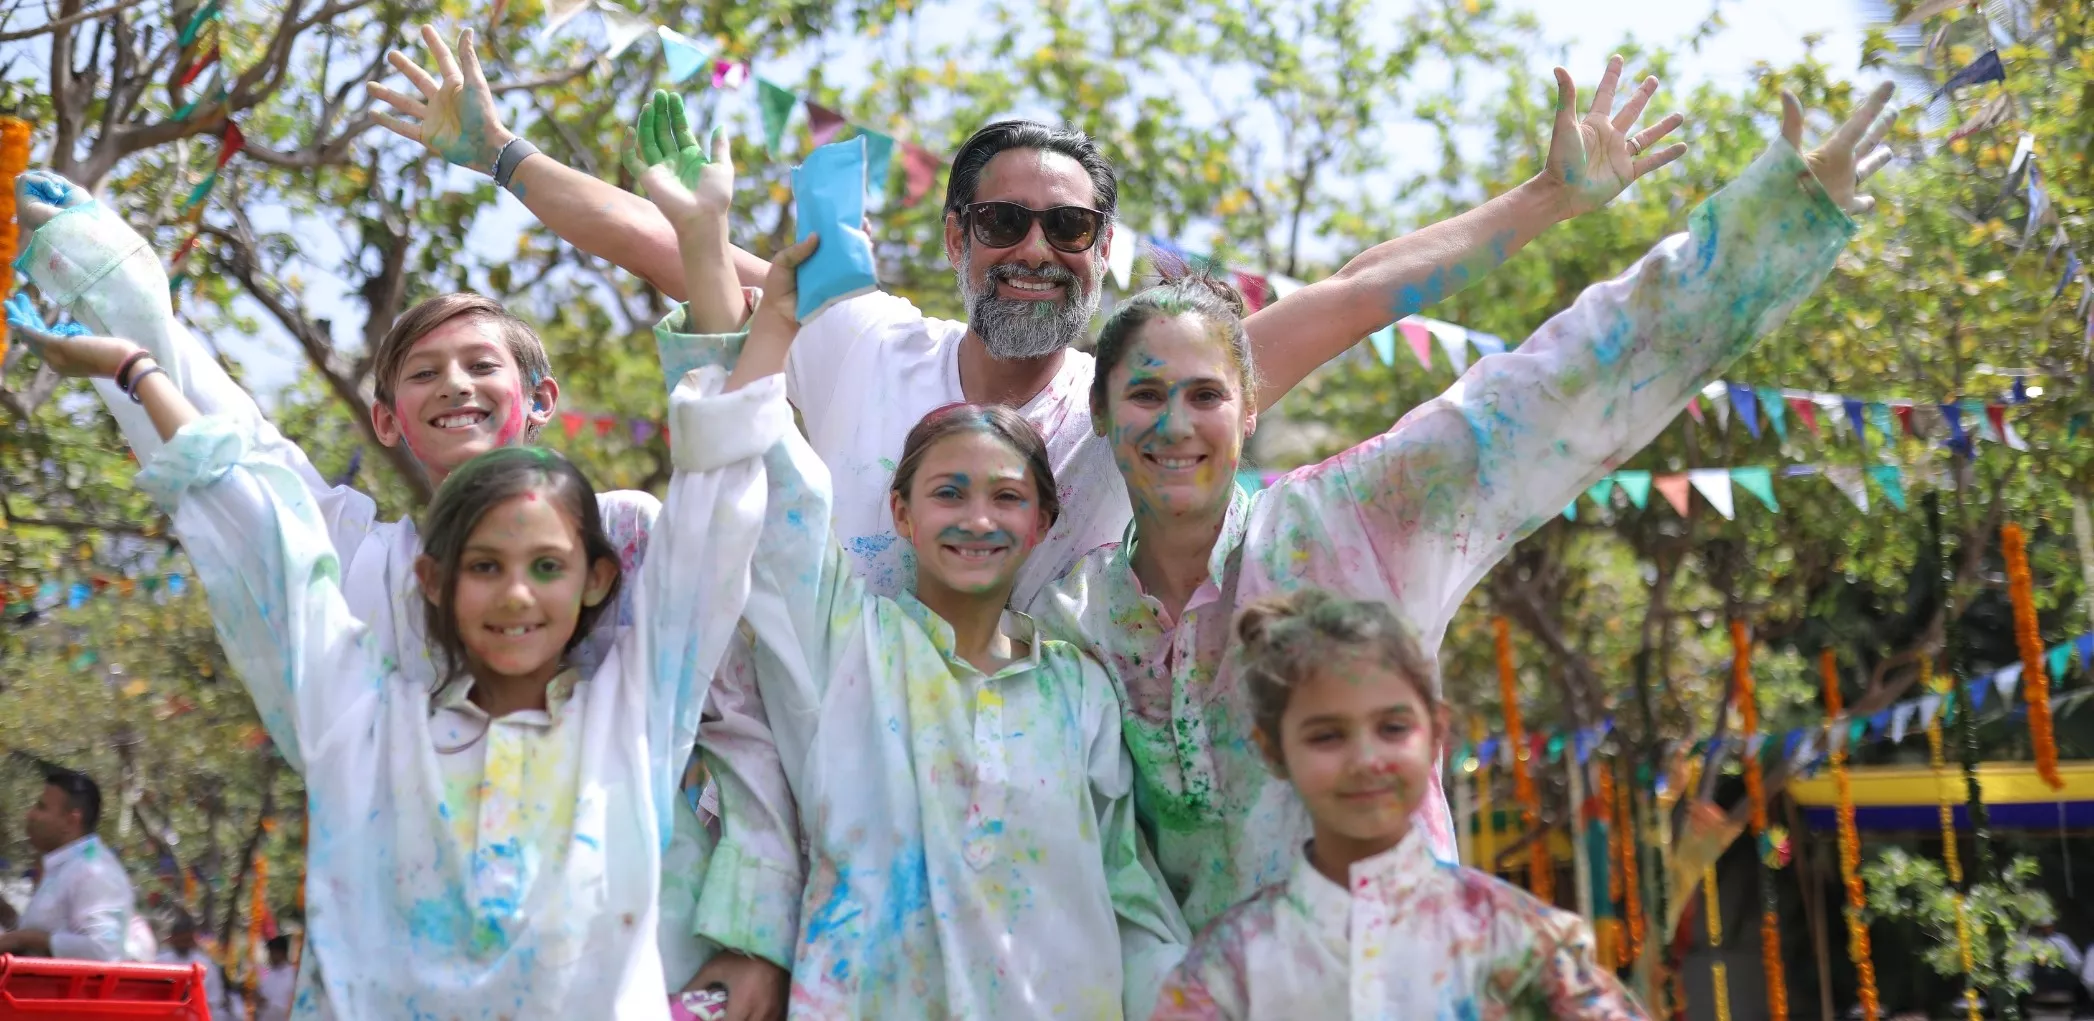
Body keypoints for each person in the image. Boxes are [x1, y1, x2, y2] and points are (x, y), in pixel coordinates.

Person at [376, 29, 1689, 609]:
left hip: (1051, 837)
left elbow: (1351, 296)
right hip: (842, 819)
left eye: (1066, 228)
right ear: (954, 239)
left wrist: (1545, 199)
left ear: (1101, 252)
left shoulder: (1141, 406)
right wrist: (499, 153)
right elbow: (663, 238)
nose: (1031, 250)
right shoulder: (859, 340)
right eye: (1000, 221)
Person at [1027, 84, 1898, 929]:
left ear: (1249, 411)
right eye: (1145, 395)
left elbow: (1564, 378)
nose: (1175, 424)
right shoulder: (1072, 617)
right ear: (1100, 412)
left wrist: (1772, 223)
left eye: (1206, 395)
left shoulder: (1348, 522)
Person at [10, 168, 792, 1000]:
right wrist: (113, 289)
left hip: (635, 953)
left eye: (480, 364)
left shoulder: (629, 555)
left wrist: (758, 936)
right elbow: (240, 473)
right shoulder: (359, 609)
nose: (516, 597)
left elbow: (737, 675)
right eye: (423, 372)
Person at [655, 135, 1188, 1017]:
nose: (978, 518)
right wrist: (711, 251)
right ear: (898, 512)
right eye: (948, 491)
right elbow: (748, 460)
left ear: (1045, 521)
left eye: (1006, 496)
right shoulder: (843, 649)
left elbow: (1129, 899)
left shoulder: (1081, 692)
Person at [1152, 589, 1643, 1018]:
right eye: (1327, 735)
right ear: (1274, 751)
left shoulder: (1519, 941)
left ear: (1436, 734)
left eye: (1392, 728)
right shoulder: (1230, 968)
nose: (1366, 760)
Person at [0, 767, 140, 961]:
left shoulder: (93, 870)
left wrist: (25, 939)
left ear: (71, 820)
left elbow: (104, 949)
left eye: (41, 807)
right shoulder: (67, 866)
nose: (30, 815)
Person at [156, 913, 238, 1021]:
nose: (183, 944)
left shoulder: (204, 964)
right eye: (180, 939)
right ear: (173, 938)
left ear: (192, 939)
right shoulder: (160, 961)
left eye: (187, 940)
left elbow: (214, 998)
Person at [257, 935, 297, 1021]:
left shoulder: (291, 975)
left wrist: (267, 1003)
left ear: (281, 953)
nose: (270, 956)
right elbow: (262, 994)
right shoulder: (270, 973)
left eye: (272, 952)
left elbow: (289, 1005)